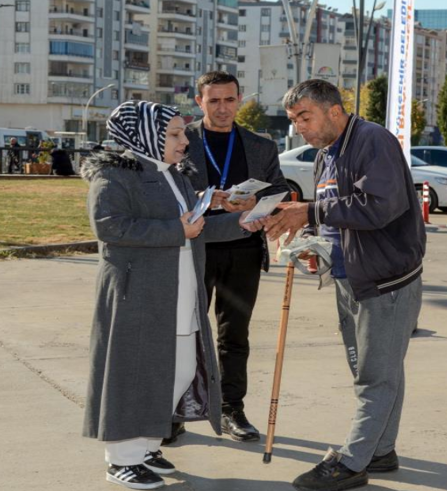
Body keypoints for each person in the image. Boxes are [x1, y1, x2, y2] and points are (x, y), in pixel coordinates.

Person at [81, 101, 266, 489]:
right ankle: (122, 458)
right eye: (175, 134)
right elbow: (110, 227)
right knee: (134, 375)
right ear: (145, 135)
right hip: (138, 293)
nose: (185, 142)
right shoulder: (115, 172)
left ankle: (146, 446)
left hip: (180, 291)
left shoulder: (174, 174)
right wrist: (175, 230)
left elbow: (196, 228)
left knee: (176, 370)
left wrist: (244, 223)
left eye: (182, 133)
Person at [263, 79, 426, 491]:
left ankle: (352, 462)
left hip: (386, 280)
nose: (299, 126)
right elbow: (337, 222)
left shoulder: (373, 140)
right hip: (348, 277)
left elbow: (381, 207)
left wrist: (310, 212)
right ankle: (381, 449)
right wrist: (314, 246)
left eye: (305, 116)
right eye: (294, 119)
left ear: (334, 111)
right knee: (377, 370)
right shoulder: (324, 156)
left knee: (376, 376)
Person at [183, 71, 290, 443]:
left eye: (229, 100)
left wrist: (256, 203)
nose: (223, 108)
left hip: (243, 250)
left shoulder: (260, 145)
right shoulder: (182, 140)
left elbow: (280, 189)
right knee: (187, 333)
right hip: (194, 249)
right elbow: (170, 190)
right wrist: (207, 197)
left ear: (239, 100)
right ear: (200, 102)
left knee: (235, 336)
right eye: (214, 101)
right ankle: (178, 410)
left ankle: (232, 409)